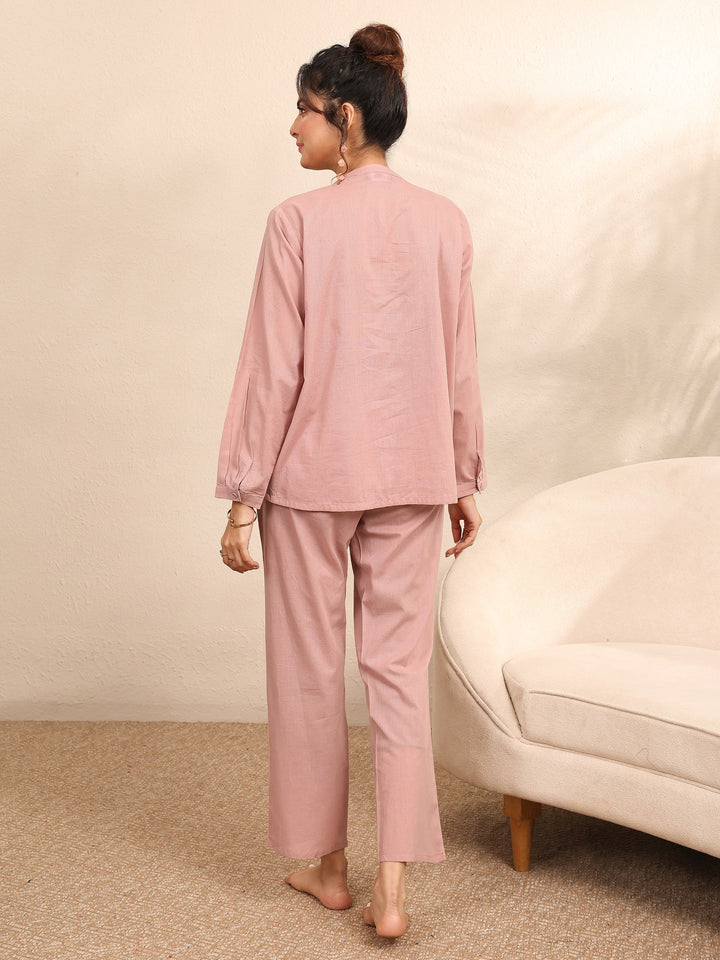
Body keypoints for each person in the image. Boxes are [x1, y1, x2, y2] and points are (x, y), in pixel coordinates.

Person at [215, 23, 485, 941]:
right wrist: (463, 476)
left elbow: (271, 371)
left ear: (347, 116)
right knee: (398, 675)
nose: (293, 127)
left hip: (312, 479)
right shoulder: (446, 221)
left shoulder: (296, 223)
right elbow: (458, 363)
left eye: (303, 110)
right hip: (415, 474)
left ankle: (329, 869)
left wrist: (243, 497)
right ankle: (393, 890)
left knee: (307, 672)